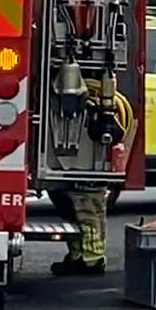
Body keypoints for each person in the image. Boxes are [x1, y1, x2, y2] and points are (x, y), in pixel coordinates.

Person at [51, 82, 137, 276]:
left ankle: (88, 259)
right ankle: (85, 255)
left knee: (83, 204)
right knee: (86, 205)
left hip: (83, 150)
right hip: (87, 151)